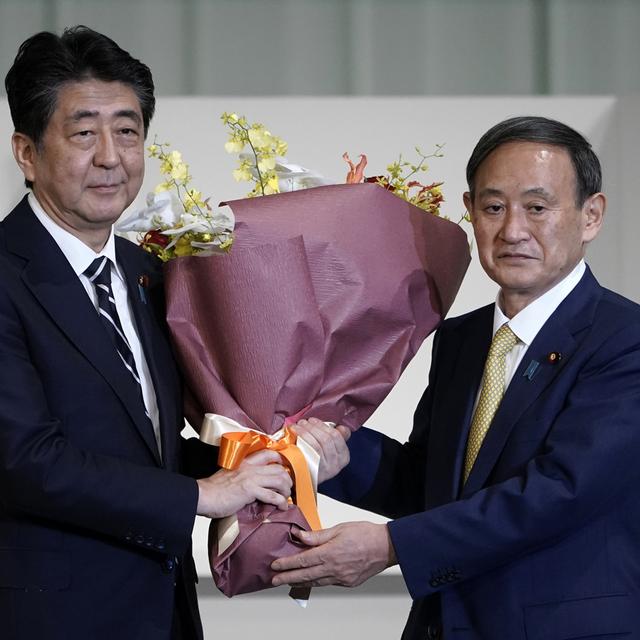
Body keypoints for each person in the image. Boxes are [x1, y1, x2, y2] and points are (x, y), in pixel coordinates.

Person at [274, 116, 640, 639]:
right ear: (469, 212)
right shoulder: (461, 338)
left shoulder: (625, 339)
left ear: (591, 216)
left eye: (537, 208)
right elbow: (433, 484)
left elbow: (559, 492)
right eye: (493, 207)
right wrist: (329, 449)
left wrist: (392, 546)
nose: (512, 230)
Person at [0, 26, 292, 640]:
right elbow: (24, 459)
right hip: (48, 616)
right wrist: (200, 495)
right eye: (83, 133)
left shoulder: (147, 273)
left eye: (128, 131)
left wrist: (275, 456)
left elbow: (147, 446)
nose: (111, 156)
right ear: (26, 151)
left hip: (163, 611)